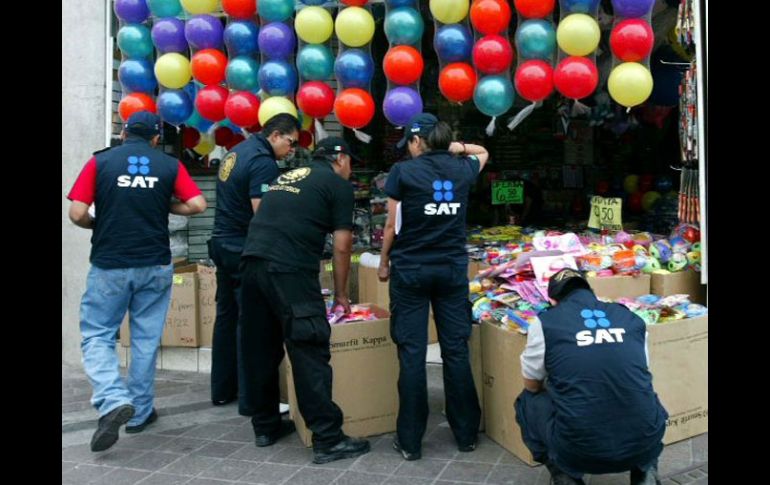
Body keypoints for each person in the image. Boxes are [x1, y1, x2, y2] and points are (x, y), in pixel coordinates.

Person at [66, 111, 207, 452]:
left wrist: (94, 224)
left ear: (123, 133)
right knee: (145, 339)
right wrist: (166, 205)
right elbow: (198, 204)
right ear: (156, 138)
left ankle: (113, 399)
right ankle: (140, 412)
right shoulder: (169, 165)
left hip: (110, 264)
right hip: (155, 263)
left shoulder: (100, 162)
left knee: (98, 334)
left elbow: (77, 212)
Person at [237, 136, 371, 464]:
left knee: (262, 348)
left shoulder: (287, 177)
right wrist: (341, 294)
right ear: (340, 159)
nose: (350, 170)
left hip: (252, 264)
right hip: (289, 269)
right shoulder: (338, 185)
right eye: (350, 163)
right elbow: (342, 245)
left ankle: (265, 426)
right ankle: (328, 438)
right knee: (309, 346)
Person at [377, 113, 489, 460]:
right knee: (455, 349)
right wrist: (457, 147)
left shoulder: (402, 172)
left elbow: (391, 225)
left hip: (411, 270)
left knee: (412, 353)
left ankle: (410, 441)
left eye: (409, 143)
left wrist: (383, 261)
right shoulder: (463, 168)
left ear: (416, 141)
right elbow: (483, 152)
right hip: (451, 270)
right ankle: (466, 435)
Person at [515, 268, 668, 485]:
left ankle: (563, 474)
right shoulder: (629, 317)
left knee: (527, 401)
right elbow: (640, 369)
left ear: (553, 301)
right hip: (645, 440)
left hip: (579, 450)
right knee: (642, 393)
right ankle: (646, 469)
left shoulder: (546, 323)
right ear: (591, 291)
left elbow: (532, 385)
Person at [208, 113, 300, 407]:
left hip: (222, 243)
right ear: (276, 135)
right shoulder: (263, 162)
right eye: (290, 142)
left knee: (226, 317)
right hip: (242, 247)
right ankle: (252, 399)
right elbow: (263, 213)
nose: (292, 150)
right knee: (251, 323)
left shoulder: (236, 152)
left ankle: (223, 389)